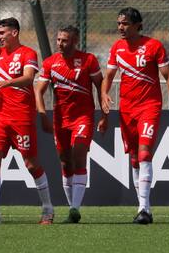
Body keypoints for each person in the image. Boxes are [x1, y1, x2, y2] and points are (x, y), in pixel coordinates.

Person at [101, 7, 169, 224]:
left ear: (138, 25)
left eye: (125, 23)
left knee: (145, 153)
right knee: (135, 158)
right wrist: (103, 95)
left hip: (149, 106)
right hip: (126, 109)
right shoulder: (117, 48)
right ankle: (144, 209)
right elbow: (108, 77)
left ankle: (144, 208)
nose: (120, 27)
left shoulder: (153, 46)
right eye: (119, 23)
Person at [0, 17, 54, 224]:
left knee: (31, 163)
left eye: (2, 33)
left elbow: (28, 78)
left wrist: (4, 83)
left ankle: (47, 209)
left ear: (14, 33)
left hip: (21, 117)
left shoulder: (28, 53)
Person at [35, 25, 107, 223]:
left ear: (75, 41)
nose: (60, 43)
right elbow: (38, 90)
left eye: (64, 40)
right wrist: (42, 115)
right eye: (58, 39)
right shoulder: (50, 63)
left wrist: (104, 115)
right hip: (60, 119)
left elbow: (100, 86)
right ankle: (71, 208)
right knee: (65, 162)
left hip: (83, 116)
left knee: (78, 153)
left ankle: (75, 208)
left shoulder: (89, 60)